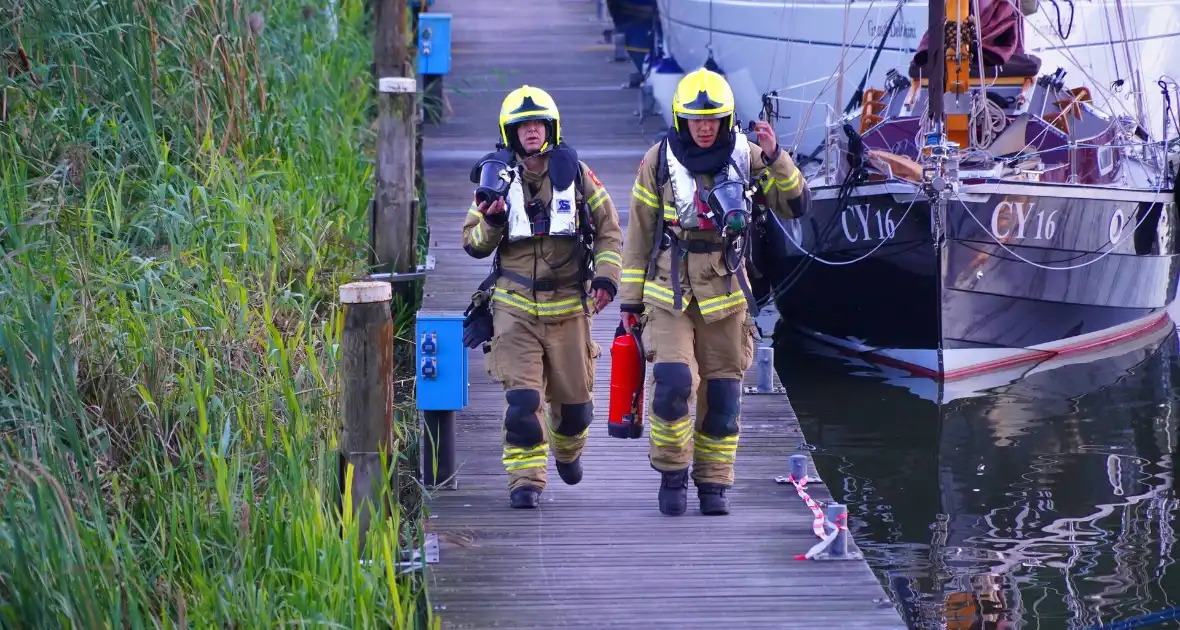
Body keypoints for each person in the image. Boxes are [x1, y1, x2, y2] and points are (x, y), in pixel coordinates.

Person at [618, 67, 810, 516]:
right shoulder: (657, 161)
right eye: (696, 120)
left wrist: (776, 155)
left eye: (713, 120)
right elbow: (638, 237)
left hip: (726, 291)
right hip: (669, 290)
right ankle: (672, 473)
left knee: (722, 395)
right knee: (672, 383)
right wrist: (629, 301)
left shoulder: (748, 156)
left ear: (725, 121)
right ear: (682, 120)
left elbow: (797, 203)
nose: (704, 128)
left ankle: (713, 483)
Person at [461, 85, 624, 509]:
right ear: (510, 132)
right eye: (523, 125)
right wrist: (493, 222)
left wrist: (606, 278)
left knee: (575, 411)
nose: (531, 131)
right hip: (514, 306)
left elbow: (609, 230)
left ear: (550, 128)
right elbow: (472, 242)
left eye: (538, 124)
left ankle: (568, 452)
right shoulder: (492, 179)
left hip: (571, 306)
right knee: (523, 401)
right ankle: (525, 482)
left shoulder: (579, 175)